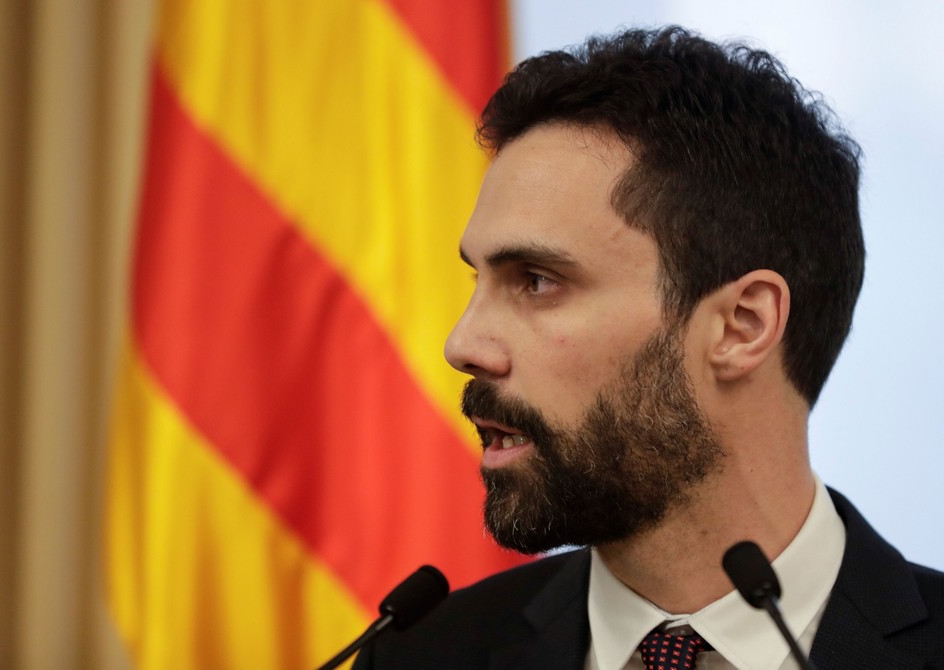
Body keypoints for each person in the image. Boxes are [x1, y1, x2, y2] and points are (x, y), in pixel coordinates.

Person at [354, 26, 944, 669]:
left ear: (741, 325)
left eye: (538, 282)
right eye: (480, 279)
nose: (463, 345)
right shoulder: (417, 655)